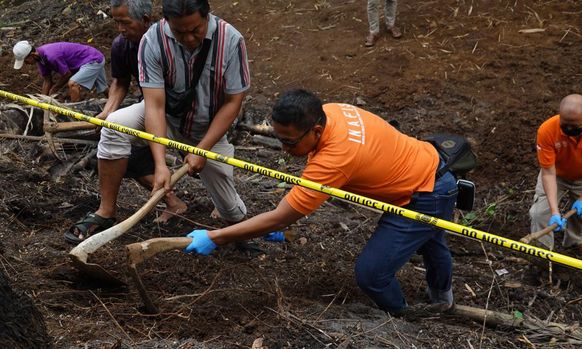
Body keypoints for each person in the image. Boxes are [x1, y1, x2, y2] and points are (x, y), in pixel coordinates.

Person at [183, 89, 458, 317]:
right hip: (429, 165)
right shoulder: (331, 111)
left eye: (289, 142)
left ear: (315, 130)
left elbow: (282, 217)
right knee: (431, 239)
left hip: (424, 194)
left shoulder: (335, 158)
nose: (284, 149)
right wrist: (276, 218)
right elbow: (295, 202)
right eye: (278, 139)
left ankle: (403, 316)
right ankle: (443, 297)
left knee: (371, 274)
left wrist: (216, 237)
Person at [65, 0, 252, 243]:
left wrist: (202, 149)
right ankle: (106, 211)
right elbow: (154, 104)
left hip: (208, 127)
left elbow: (232, 102)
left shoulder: (231, 40)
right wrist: (161, 164)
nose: (189, 38)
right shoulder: (152, 40)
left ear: (207, 17)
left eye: (195, 30)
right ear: (166, 22)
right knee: (115, 124)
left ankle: (241, 226)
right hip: (165, 115)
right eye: (179, 32)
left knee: (231, 211)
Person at [529, 94, 582, 257]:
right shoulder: (547, 130)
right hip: (556, 175)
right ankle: (542, 252)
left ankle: (575, 241)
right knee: (539, 213)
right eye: (565, 125)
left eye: (575, 126)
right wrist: (555, 212)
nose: (569, 131)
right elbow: (548, 172)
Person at [12, 41, 106, 102]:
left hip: (92, 59)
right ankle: (116, 106)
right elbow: (47, 80)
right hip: (90, 59)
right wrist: (42, 101)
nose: (26, 64)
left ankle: (75, 113)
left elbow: (67, 74)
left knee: (73, 83)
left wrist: (54, 88)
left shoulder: (51, 56)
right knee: (104, 89)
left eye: (25, 61)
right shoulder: (40, 59)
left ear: (32, 55)